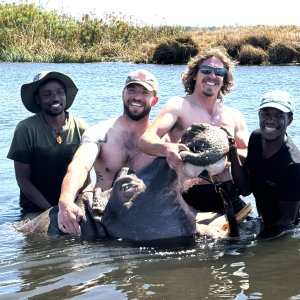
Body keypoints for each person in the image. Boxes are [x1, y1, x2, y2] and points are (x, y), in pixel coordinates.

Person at [139, 47, 249, 214]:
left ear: (224, 78)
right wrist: (169, 149)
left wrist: (227, 151)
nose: (212, 76)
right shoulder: (178, 105)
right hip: (188, 195)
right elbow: (146, 141)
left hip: (228, 192)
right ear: (195, 74)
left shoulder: (234, 116)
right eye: (206, 70)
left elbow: (250, 155)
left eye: (219, 71)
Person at [57, 69, 159, 234]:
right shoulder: (99, 133)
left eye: (144, 92)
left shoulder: (162, 140)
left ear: (154, 100)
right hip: (101, 214)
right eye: (131, 90)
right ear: (123, 94)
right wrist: (66, 201)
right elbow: (79, 166)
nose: (137, 97)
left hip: (145, 216)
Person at [7, 71, 89, 215]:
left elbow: (86, 175)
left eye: (59, 92)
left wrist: (82, 203)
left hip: (73, 204)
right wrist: (50, 210)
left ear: (65, 95)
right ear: (38, 99)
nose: (55, 98)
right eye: (47, 94)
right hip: (34, 208)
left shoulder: (81, 128)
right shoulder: (25, 129)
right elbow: (22, 179)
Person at [230, 90, 300, 238]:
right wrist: (232, 151)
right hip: (265, 220)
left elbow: (287, 222)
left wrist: (255, 241)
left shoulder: (294, 165)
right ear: (259, 115)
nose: (270, 120)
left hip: (288, 229)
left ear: (290, 120)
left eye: (279, 116)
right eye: (266, 114)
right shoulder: (256, 137)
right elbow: (245, 189)